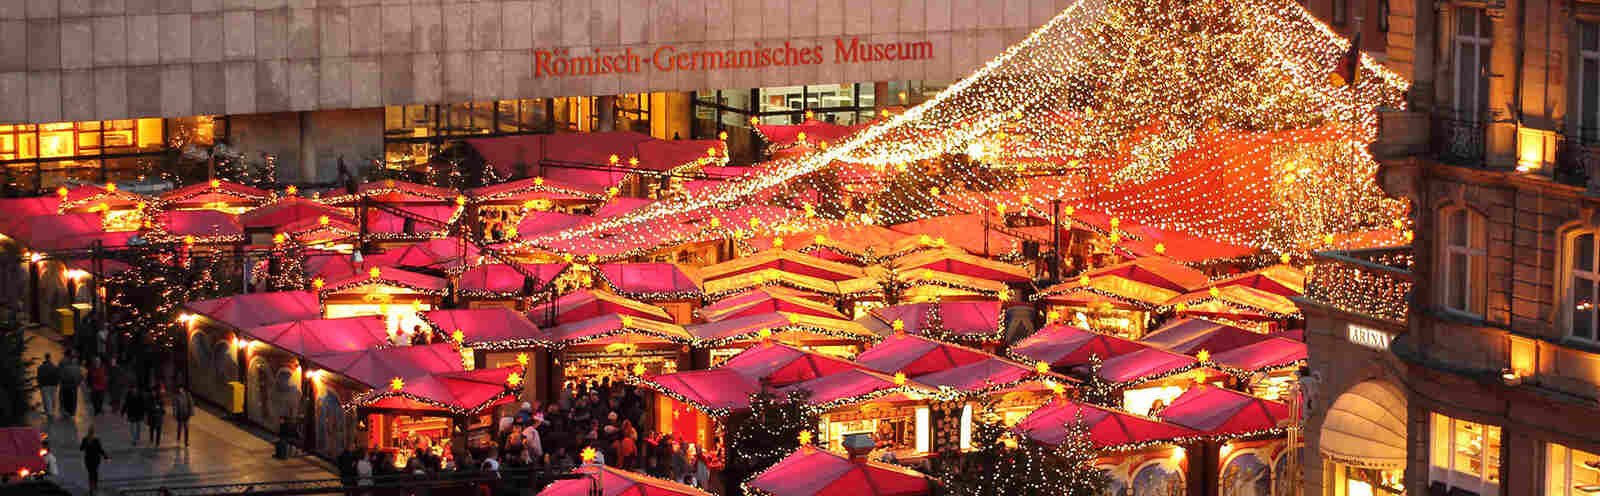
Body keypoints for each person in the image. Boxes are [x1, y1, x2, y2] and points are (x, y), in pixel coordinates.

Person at [80, 428, 109, 494]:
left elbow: (81, 448)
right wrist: (106, 457)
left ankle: (92, 486)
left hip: (90, 459)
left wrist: (106, 457)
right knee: (94, 472)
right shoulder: (94, 440)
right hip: (94, 459)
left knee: (91, 473)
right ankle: (94, 486)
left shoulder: (86, 439)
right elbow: (100, 449)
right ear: (93, 433)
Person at [58, 354, 82, 418]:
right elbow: (81, 377)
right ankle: (72, 412)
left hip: (67, 387)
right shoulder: (78, 368)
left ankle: (68, 411)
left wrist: (63, 383)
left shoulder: (66, 368)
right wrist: (77, 384)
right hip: (74, 387)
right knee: (73, 400)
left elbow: (62, 377)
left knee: (67, 399)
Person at [36, 354, 58, 418]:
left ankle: (49, 413)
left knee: (47, 399)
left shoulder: (40, 367)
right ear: (50, 358)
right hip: (53, 385)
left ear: (45, 358)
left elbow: (38, 377)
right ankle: (51, 412)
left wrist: (39, 384)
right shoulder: (54, 367)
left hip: (44, 385)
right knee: (53, 398)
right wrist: (56, 384)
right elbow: (57, 376)